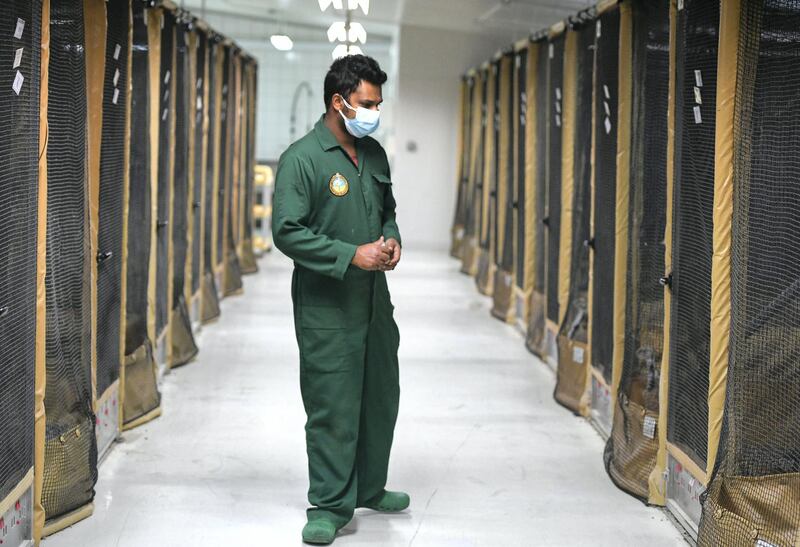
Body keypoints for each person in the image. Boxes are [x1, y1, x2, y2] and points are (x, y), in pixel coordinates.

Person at [272, 54, 408, 545]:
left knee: (379, 396)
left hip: (374, 305)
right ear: (339, 101)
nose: (374, 112)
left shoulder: (374, 155)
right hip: (327, 308)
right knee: (333, 404)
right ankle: (329, 505)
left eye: (377, 104)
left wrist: (390, 241)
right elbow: (286, 232)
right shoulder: (303, 159)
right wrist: (352, 255)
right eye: (366, 103)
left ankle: (370, 487)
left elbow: (387, 210)